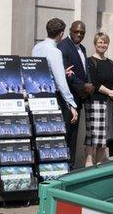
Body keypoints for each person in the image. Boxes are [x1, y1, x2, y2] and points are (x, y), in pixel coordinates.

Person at [32, 18, 80, 166]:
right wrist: (72, 104)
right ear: (61, 34)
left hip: (38, 95)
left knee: (43, 136)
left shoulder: (37, 48)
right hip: (55, 98)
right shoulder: (55, 51)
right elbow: (61, 81)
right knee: (58, 137)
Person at [59, 20, 94, 163]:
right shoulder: (63, 47)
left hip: (80, 97)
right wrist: (83, 86)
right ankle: (67, 166)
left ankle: (71, 165)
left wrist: (89, 85)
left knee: (74, 135)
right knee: (67, 135)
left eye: (82, 33)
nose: (79, 34)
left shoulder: (83, 49)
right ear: (70, 31)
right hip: (68, 99)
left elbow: (85, 70)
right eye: (76, 31)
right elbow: (66, 73)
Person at [84, 32, 113, 166]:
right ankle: (88, 164)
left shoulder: (110, 62)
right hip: (95, 102)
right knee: (93, 136)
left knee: (104, 137)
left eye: (105, 42)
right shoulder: (90, 61)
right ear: (95, 44)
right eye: (100, 42)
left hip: (110, 103)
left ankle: (100, 164)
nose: (102, 45)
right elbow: (94, 82)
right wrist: (110, 92)